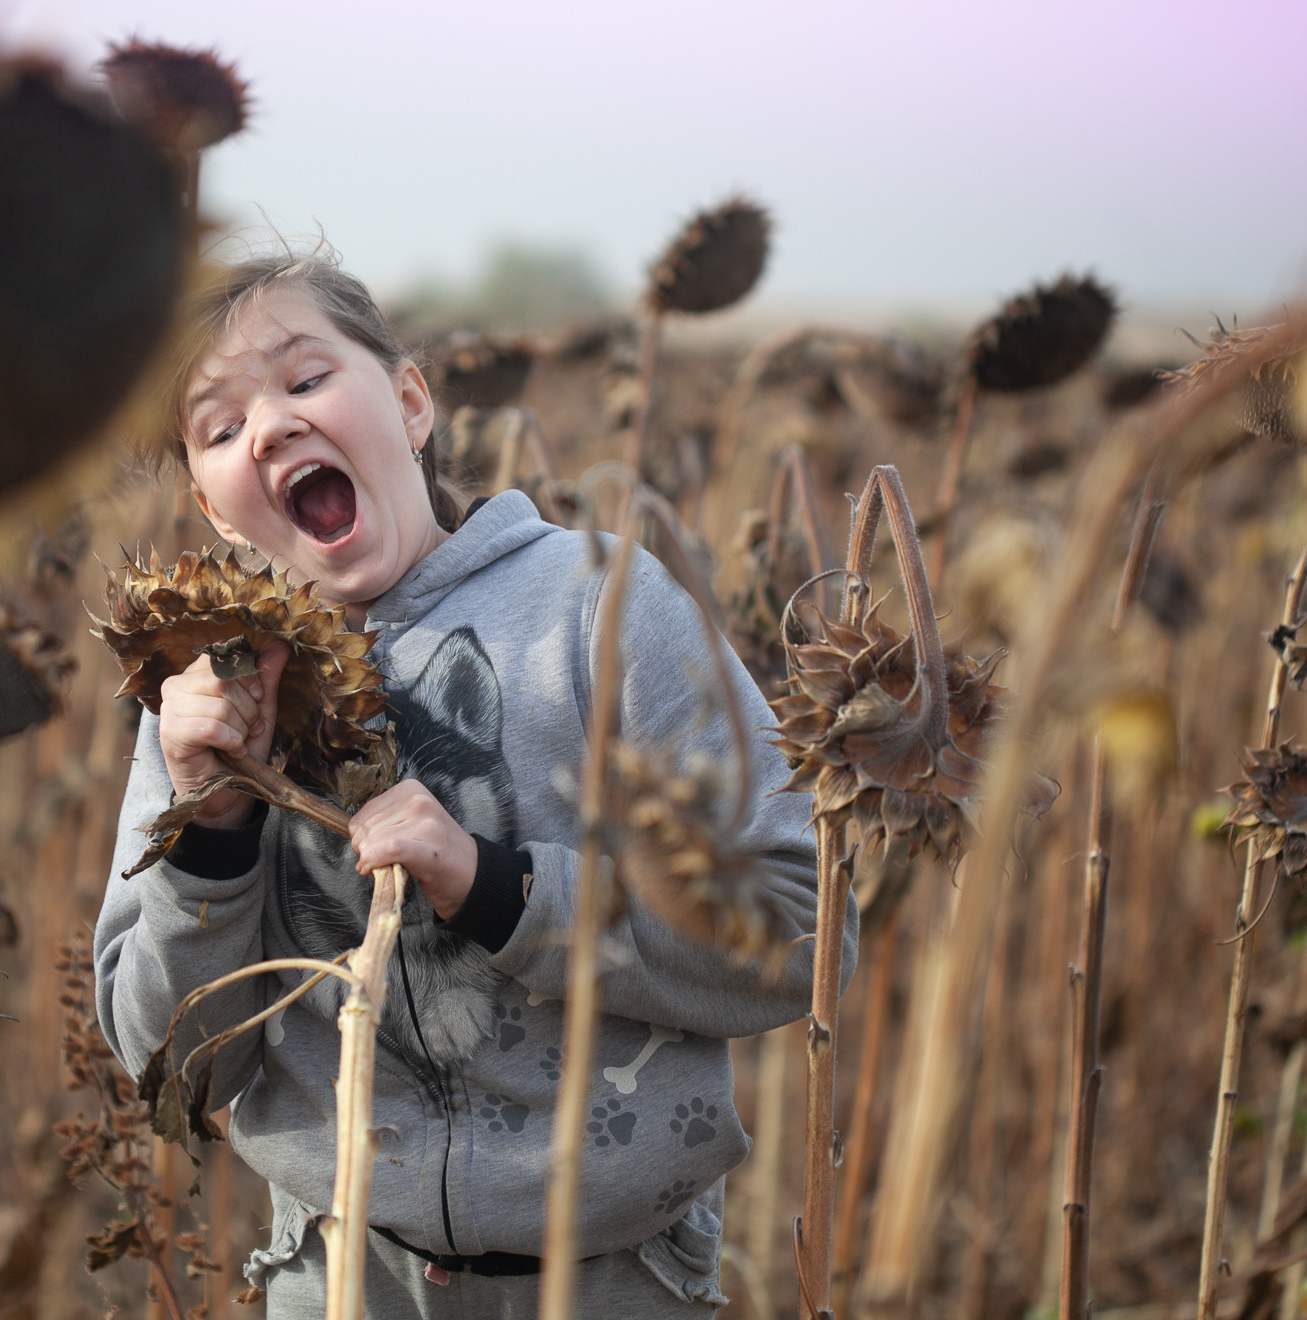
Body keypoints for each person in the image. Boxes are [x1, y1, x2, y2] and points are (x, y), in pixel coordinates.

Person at [93, 247, 852, 1318]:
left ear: (409, 403)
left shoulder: (602, 610)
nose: (267, 428)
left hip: (611, 1281)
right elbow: (171, 1074)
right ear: (216, 512)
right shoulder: (203, 692)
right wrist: (209, 831)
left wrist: (498, 888)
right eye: (219, 430)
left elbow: (804, 936)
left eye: (306, 380)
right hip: (337, 1277)